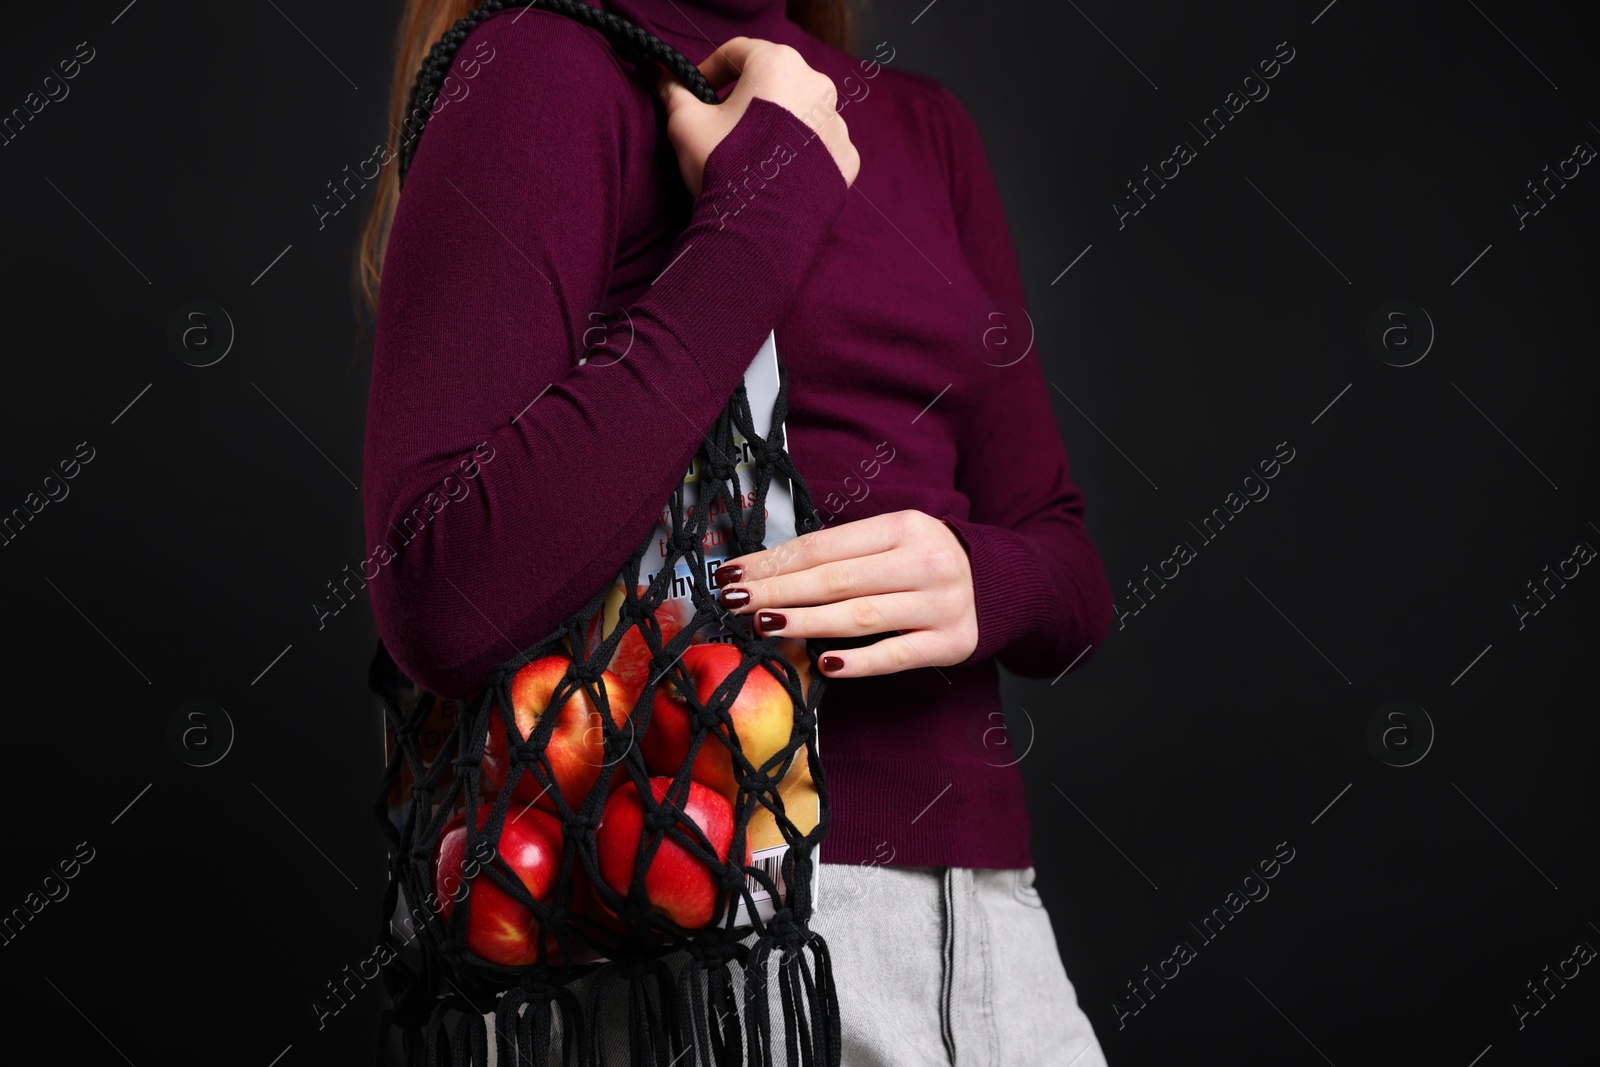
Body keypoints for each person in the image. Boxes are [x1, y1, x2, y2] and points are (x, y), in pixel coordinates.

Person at [359, 1, 1114, 1063]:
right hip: (702, 944)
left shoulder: (921, 125)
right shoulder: (540, 67)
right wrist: (767, 202)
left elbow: (1071, 572)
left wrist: (980, 579)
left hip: (989, 939)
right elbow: (441, 587)